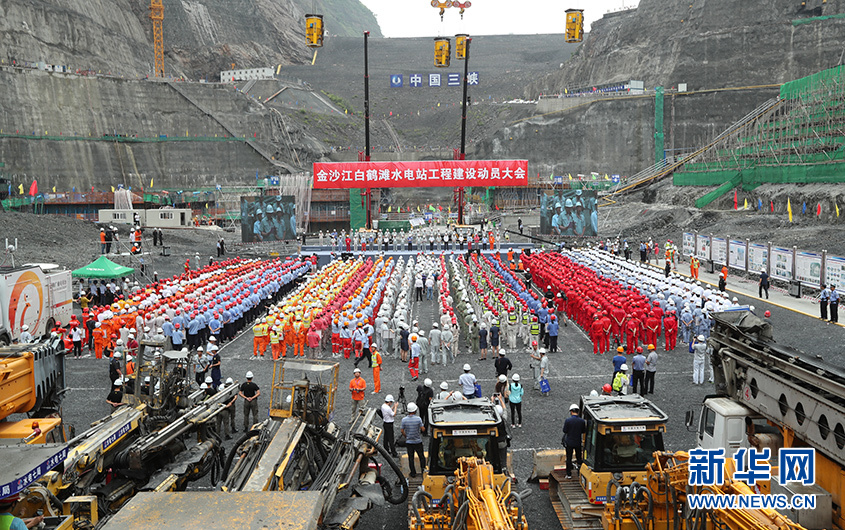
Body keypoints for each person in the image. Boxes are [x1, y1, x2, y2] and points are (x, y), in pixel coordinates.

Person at [401, 403, 426, 478]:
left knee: (411, 458)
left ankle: (413, 473)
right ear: (415, 410)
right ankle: (423, 471)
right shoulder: (418, 419)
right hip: (417, 441)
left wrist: (406, 436)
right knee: (421, 456)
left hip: (409, 442)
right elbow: (423, 429)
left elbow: (402, 431)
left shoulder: (404, 420)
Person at [562, 403, 586, 479]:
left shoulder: (568, 420)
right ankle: (580, 473)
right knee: (579, 458)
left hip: (569, 442)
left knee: (569, 458)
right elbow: (583, 431)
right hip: (577, 442)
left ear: (571, 411)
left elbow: (565, 430)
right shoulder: (582, 421)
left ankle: (569, 474)